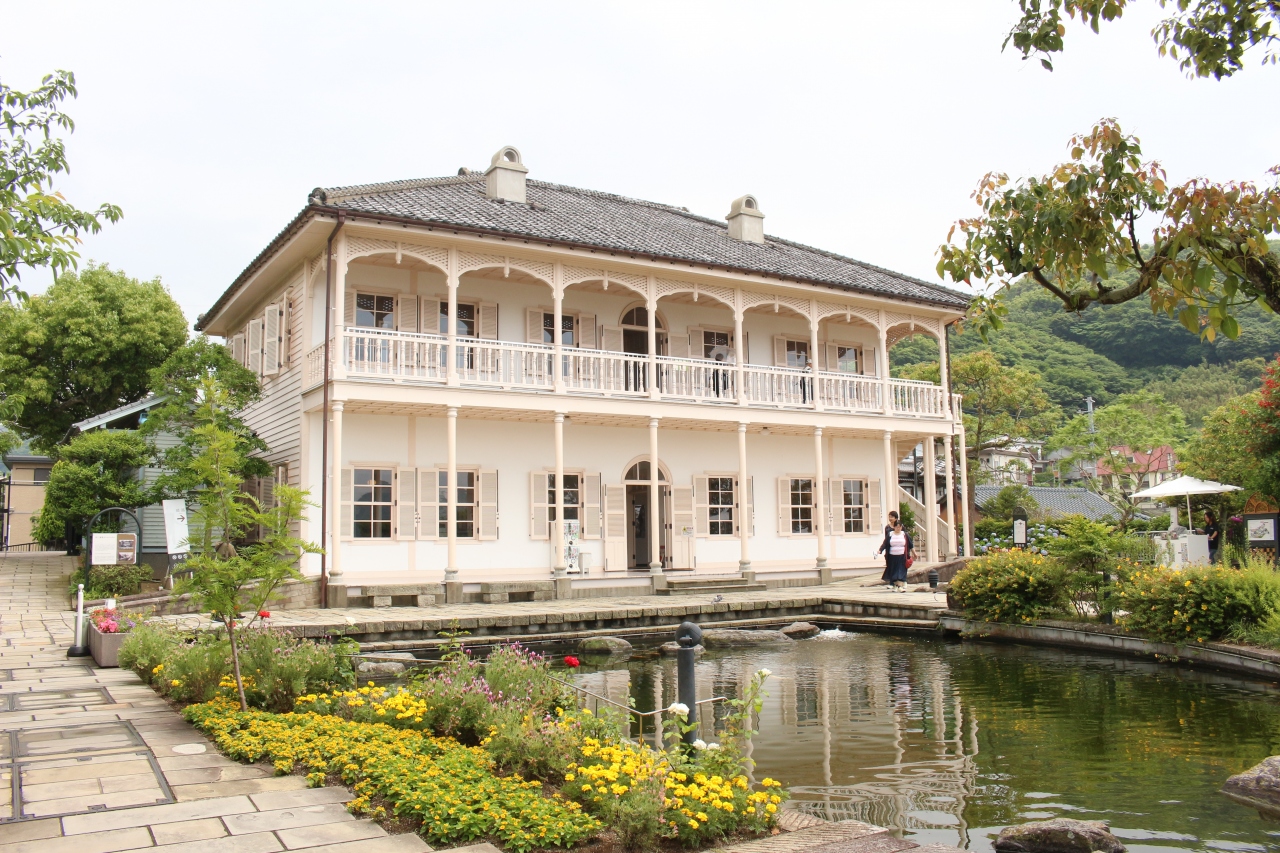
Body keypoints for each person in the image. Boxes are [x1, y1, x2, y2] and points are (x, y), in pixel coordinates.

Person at [883, 520, 915, 592]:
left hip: (902, 556)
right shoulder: (890, 534)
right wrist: (880, 550)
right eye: (897, 527)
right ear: (894, 527)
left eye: (900, 527)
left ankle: (899, 587)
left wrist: (914, 553)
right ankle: (895, 586)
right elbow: (885, 544)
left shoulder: (905, 535)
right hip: (892, 556)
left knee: (900, 571)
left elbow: (910, 545)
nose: (898, 528)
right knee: (894, 572)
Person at [876, 511, 900, 586]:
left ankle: (899, 582)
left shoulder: (900, 526)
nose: (890, 518)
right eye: (889, 517)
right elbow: (886, 540)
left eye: (892, 517)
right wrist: (881, 549)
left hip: (899, 550)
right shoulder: (887, 527)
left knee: (898, 567)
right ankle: (891, 583)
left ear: (896, 518)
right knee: (890, 566)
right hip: (890, 549)